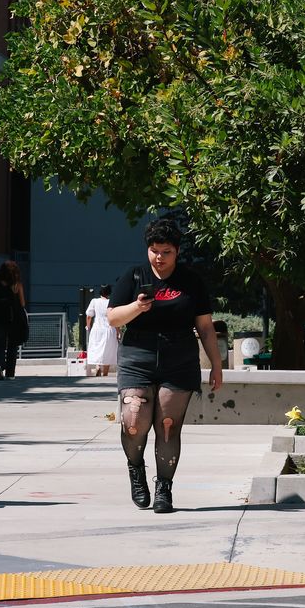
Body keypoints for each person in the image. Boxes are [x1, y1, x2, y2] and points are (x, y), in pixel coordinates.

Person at [107, 218, 223, 513]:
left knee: (168, 427)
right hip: (137, 355)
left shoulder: (191, 281)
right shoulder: (133, 276)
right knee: (134, 421)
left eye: (166, 252)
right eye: (154, 250)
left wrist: (216, 365)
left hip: (179, 356)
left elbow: (206, 328)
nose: (159, 258)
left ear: (177, 251)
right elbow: (112, 318)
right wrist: (137, 307)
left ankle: (164, 489)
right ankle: (136, 470)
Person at [0, 260, 28, 379]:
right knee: (12, 345)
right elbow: (22, 303)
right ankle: (10, 374)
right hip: (13, 319)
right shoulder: (17, 285)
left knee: (0, 344)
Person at [84, 286, 118, 377]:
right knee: (108, 350)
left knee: (97, 348)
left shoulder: (94, 301)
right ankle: (105, 373)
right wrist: (118, 332)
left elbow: (89, 316)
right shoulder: (112, 302)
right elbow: (115, 318)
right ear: (109, 292)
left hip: (97, 328)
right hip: (109, 329)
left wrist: (88, 325)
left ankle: (98, 366)